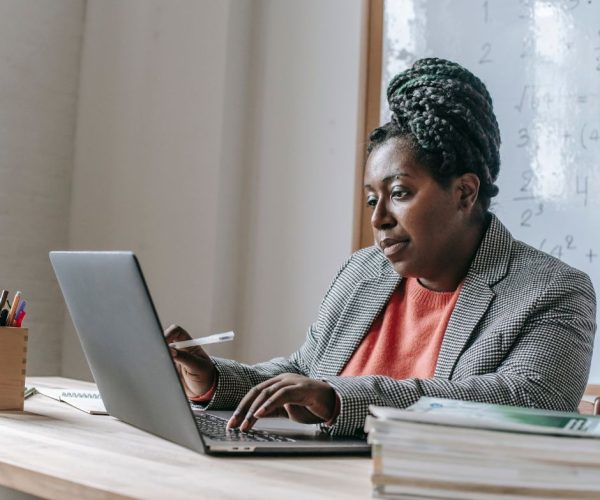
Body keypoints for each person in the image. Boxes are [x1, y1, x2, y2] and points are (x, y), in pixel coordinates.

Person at [166, 58, 596, 437]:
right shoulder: (363, 272)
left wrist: (339, 398)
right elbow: (303, 374)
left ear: (465, 193)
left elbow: (525, 402)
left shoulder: (553, 291)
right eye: (373, 199)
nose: (378, 218)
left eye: (401, 193)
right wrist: (213, 378)